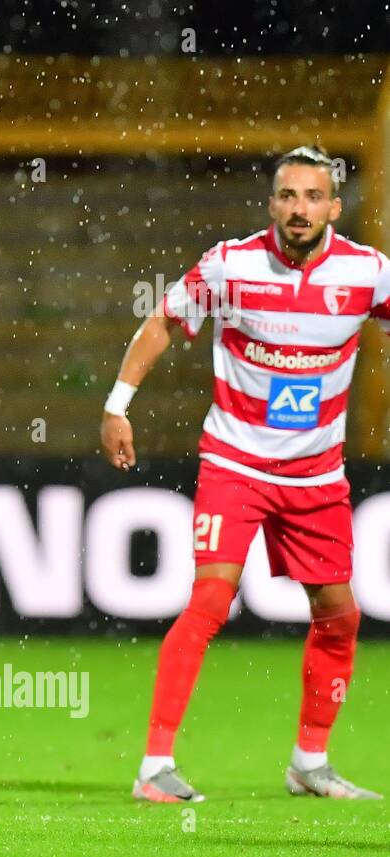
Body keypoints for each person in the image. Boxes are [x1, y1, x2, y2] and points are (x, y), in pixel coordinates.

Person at [101, 146, 388, 802]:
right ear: (272, 204)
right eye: (288, 196)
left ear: (334, 208)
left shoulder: (368, 274)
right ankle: (154, 768)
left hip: (317, 477)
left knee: (340, 615)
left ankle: (309, 763)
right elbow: (164, 322)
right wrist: (118, 405)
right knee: (210, 600)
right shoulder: (229, 266)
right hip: (235, 463)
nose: (299, 209)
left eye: (313, 197)